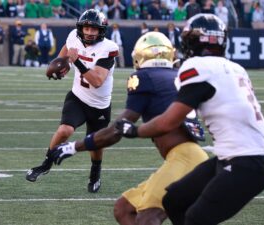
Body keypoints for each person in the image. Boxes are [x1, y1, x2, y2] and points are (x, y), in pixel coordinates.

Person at [115, 14, 264, 225]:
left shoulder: (198, 68)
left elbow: (168, 122)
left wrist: (135, 131)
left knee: (195, 220)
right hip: (235, 156)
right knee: (173, 200)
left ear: (192, 41)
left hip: (244, 163)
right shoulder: (235, 68)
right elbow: (242, 112)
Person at [44, 31, 209, 225]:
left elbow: (117, 130)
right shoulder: (178, 76)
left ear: (141, 57)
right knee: (124, 208)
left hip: (184, 159)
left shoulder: (144, 77)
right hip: (193, 159)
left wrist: (73, 147)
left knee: (147, 217)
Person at [26, 9, 119, 194]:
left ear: (101, 30)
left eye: (94, 29)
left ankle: (95, 173)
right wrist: (63, 64)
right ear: (80, 27)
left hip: (99, 104)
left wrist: (76, 63)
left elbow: (97, 81)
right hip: (77, 96)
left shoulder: (108, 48)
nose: (89, 32)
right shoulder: (73, 37)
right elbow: (65, 52)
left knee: (96, 143)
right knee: (64, 130)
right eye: (86, 28)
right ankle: (45, 164)